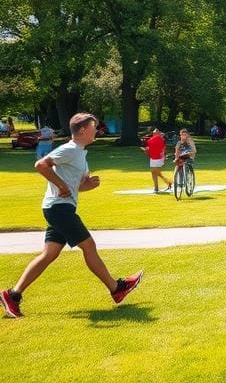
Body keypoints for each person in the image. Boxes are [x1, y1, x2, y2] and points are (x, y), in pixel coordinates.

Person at [1, 113, 143, 319]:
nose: (97, 130)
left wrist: (87, 185)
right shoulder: (70, 149)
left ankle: (12, 295)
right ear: (83, 130)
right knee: (89, 246)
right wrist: (61, 185)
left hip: (60, 208)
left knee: (49, 254)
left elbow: (75, 187)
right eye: (94, 127)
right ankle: (116, 289)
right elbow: (40, 165)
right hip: (59, 208)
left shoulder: (80, 154)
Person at [142, 127, 171, 193]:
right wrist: (147, 149)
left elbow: (161, 149)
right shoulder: (153, 140)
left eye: (155, 133)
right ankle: (161, 185)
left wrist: (147, 149)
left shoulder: (160, 140)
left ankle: (160, 186)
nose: (154, 134)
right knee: (154, 172)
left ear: (158, 133)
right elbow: (151, 147)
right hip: (153, 157)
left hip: (159, 157)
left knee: (156, 172)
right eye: (154, 133)